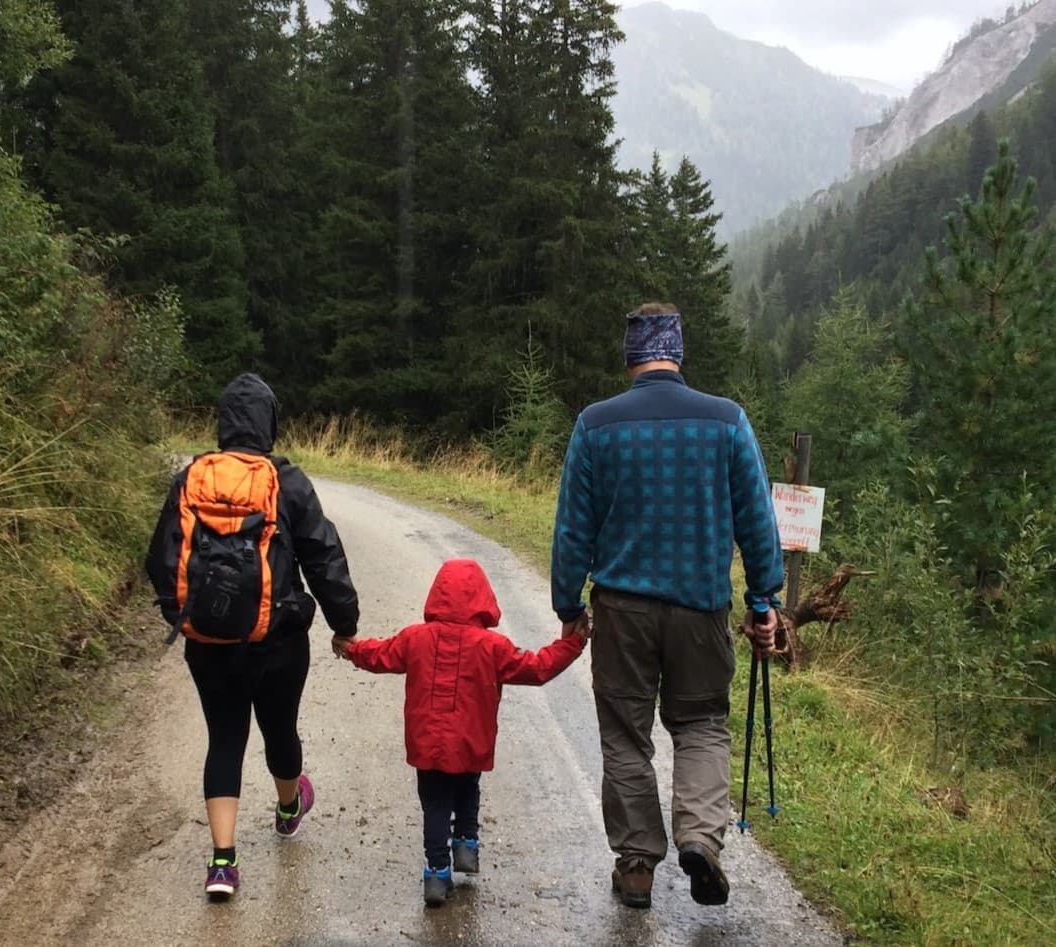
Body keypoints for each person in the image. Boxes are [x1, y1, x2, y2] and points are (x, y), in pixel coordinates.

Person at [550, 304, 783, 910]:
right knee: (702, 723)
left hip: (623, 611)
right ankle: (700, 839)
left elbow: (573, 529)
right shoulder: (727, 421)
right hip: (701, 607)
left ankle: (635, 867)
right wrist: (765, 600)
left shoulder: (595, 426)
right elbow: (758, 522)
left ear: (630, 357)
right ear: (677, 353)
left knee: (626, 736)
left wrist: (567, 603)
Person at [146, 373, 360, 900]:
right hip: (279, 640)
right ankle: (289, 808)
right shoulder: (286, 481)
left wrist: (187, 615)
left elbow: (160, 560)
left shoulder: (191, 478)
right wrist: (344, 624)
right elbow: (323, 556)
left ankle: (222, 862)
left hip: (208, 642)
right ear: (270, 423)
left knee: (224, 738)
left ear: (222, 423)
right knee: (279, 728)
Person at [339, 558, 584, 907]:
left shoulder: (415, 638)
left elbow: (380, 655)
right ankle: (467, 843)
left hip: (427, 743)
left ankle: (437, 873)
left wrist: (351, 649)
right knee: (468, 786)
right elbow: (537, 667)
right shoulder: (493, 647)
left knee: (435, 803)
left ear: (436, 595)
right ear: (483, 598)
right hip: (471, 740)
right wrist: (572, 644)